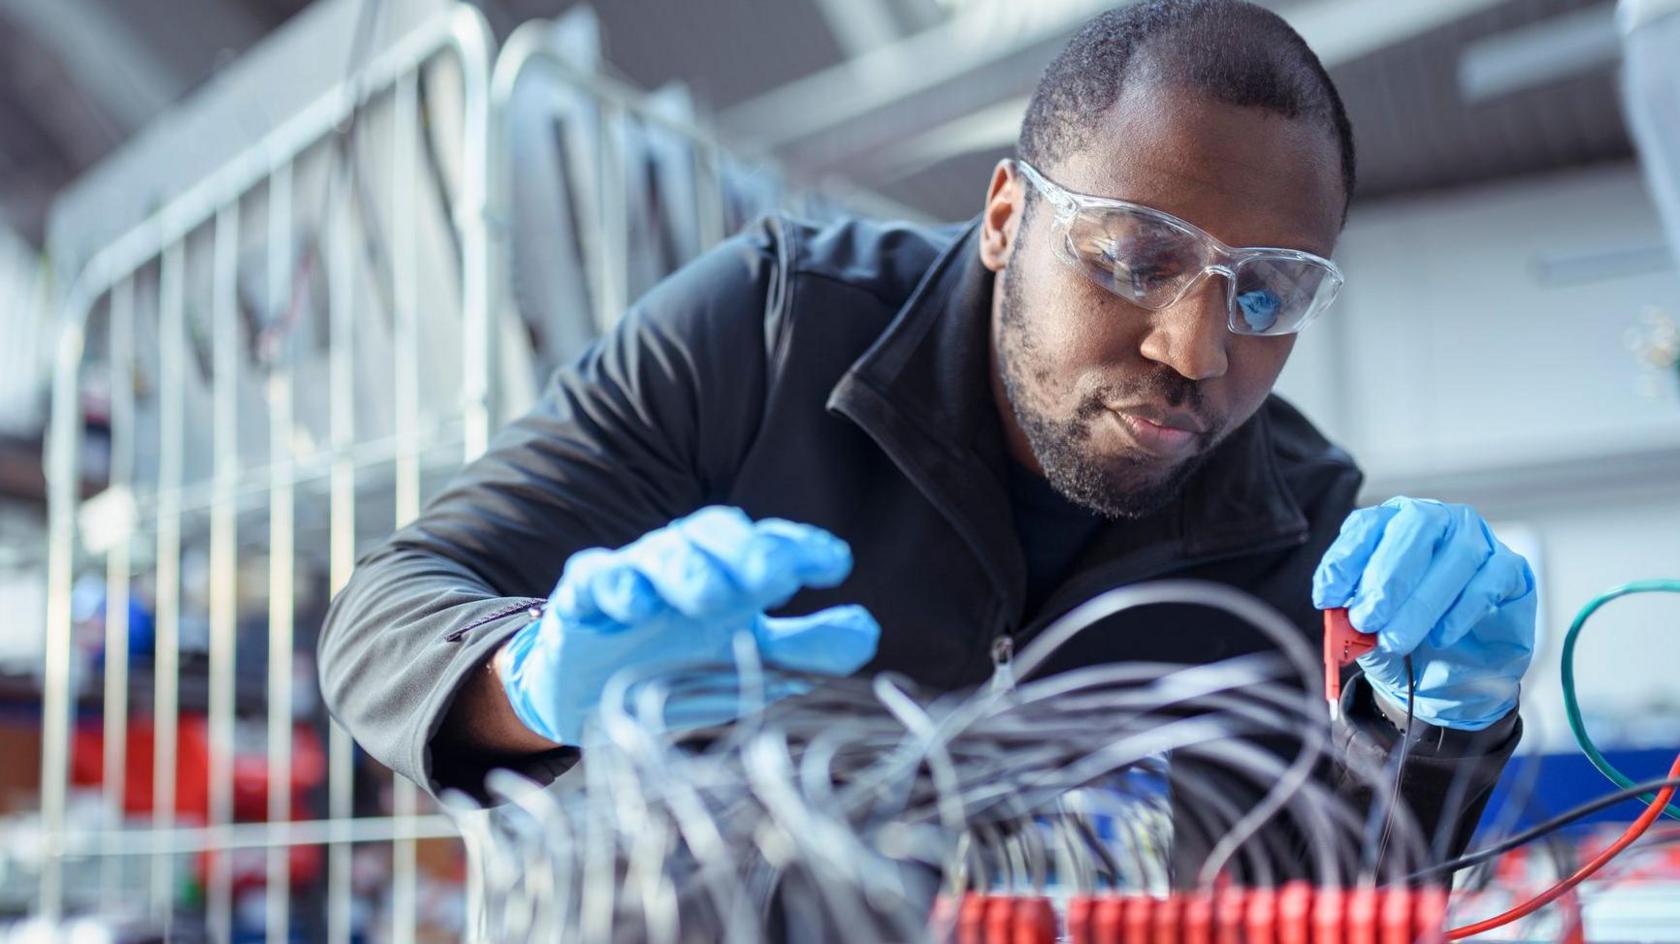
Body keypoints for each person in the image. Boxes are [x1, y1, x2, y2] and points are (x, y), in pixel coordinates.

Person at [320, 0, 1535, 875]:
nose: (1199, 348)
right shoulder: (773, 328)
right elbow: (388, 606)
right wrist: (532, 677)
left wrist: (1444, 724)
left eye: (1267, 292)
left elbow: (1328, 886)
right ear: (1007, 214)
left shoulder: (1303, 522)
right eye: (1139, 257)